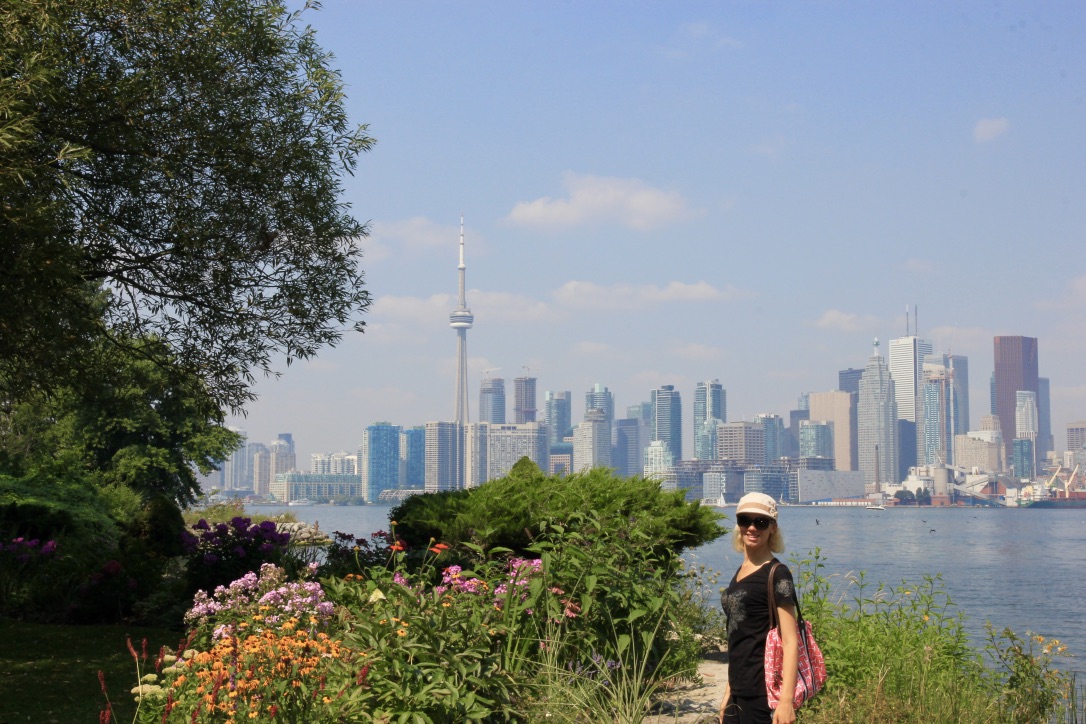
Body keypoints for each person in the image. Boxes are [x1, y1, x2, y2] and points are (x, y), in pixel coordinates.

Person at [719, 492, 798, 724]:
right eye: (745, 521)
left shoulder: (777, 574)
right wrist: (727, 694)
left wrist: (786, 701)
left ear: (773, 527)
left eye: (761, 522)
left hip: (763, 694)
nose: (752, 528)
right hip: (737, 691)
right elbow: (740, 637)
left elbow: (790, 640)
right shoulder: (741, 570)